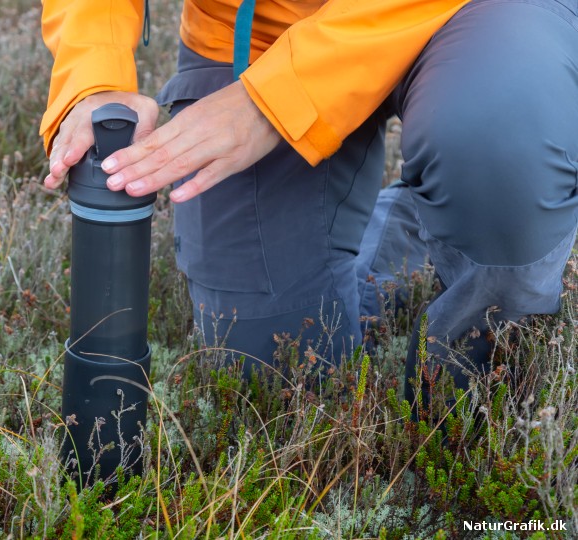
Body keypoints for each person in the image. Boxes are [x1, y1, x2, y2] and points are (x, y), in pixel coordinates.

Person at [39, 0, 578, 409]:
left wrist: (278, 99)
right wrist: (95, 77)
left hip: (477, 15)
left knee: (501, 147)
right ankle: (419, 214)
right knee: (275, 382)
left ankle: (453, 411)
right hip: (261, 29)